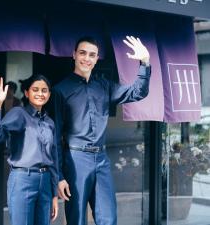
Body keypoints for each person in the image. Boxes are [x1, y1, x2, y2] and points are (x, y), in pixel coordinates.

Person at [52, 36, 151, 225]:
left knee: (109, 218)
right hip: (75, 160)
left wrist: (145, 61)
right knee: (77, 220)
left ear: (97, 59)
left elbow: (138, 91)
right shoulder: (60, 90)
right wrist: (59, 176)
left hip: (101, 159)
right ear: (74, 55)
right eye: (82, 53)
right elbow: (55, 137)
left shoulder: (104, 86)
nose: (86, 58)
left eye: (92, 55)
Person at [0, 75, 58, 225]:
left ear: (49, 94)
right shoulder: (19, 114)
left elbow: (53, 158)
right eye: (35, 90)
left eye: (44, 90)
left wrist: (54, 195)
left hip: (45, 182)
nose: (40, 93)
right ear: (26, 93)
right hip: (23, 180)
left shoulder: (49, 122)